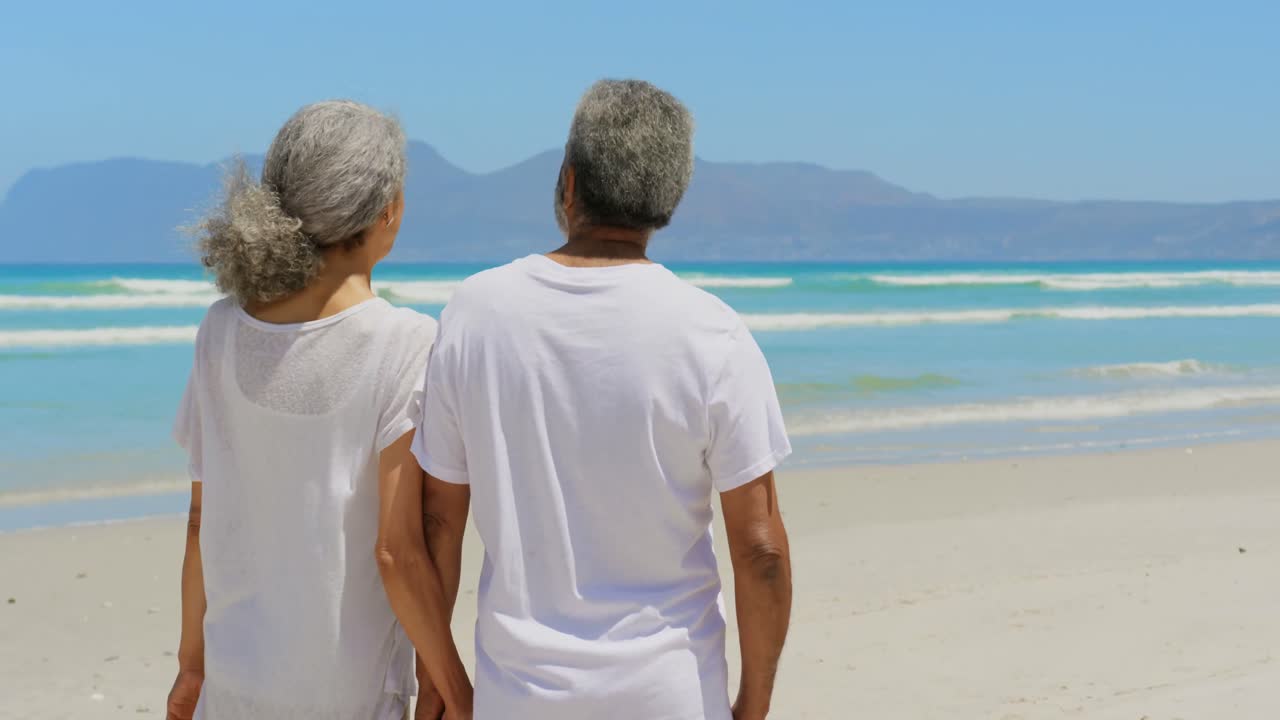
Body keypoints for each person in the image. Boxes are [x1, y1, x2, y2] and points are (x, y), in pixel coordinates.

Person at [413, 79, 794, 719]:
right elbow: (760, 550)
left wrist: (437, 683)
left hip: (519, 697)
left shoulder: (477, 312)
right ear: (668, 201)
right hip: (671, 695)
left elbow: (439, 523)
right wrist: (753, 704)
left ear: (568, 185)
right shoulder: (712, 333)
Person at [168, 100, 471, 720]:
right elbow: (400, 551)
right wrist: (450, 683)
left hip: (233, 686)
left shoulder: (220, 330)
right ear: (389, 210)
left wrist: (191, 666)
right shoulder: (405, 343)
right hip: (348, 694)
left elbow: (201, 520)